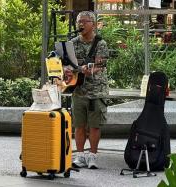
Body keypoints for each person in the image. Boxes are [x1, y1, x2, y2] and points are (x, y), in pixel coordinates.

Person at [65, 11, 109, 169]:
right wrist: (67, 70)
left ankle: (93, 156)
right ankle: (80, 155)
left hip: (97, 91)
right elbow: (67, 63)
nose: (81, 24)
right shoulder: (73, 42)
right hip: (79, 90)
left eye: (84, 21)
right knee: (79, 125)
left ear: (94, 24)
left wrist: (87, 69)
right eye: (79, 22)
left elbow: (99, 66)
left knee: (94, 125)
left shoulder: (100, 43)